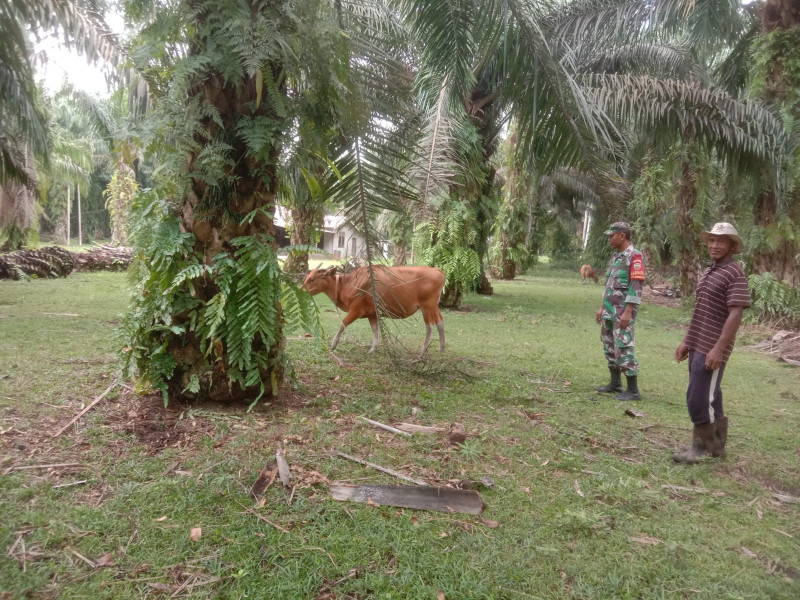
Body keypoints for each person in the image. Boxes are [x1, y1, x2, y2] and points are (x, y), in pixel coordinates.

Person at [673, 223, 750, 464]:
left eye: (721, 241)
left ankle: (703, 448)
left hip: (713, 346)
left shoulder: (735, 273)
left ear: (732, 246)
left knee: (698, 397)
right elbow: (700, 311)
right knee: (710, 395)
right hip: (698, 342)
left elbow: (736, 314)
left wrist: (719, 348)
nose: (715, 245)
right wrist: (687, 341)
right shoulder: (710, 271)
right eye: (712, 240)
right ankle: (715, 448)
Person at [594, 222, 645, 401]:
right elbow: (609, 284)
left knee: (623, 346)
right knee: (609, 345)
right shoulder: (616, 257)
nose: (609, 239)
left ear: (622, 236)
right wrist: (602, 307)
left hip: (622, 312)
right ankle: (615, 383)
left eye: (612, 235)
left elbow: (636, 286)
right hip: (609, 311)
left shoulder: (635, 257)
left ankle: (633, 390)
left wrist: (628, 311)